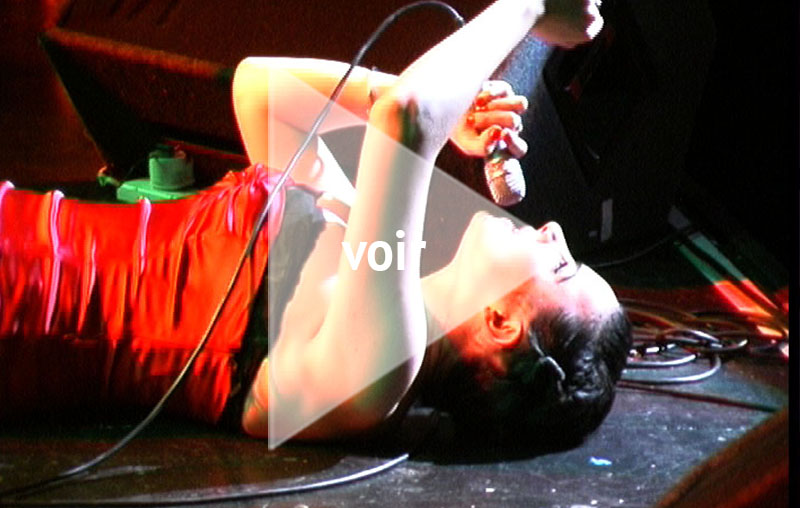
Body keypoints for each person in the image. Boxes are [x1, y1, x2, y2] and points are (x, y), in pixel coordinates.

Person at [0, 0, 631, 447]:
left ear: (502, 325)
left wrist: (530, 6)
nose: (554, 231)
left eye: (562, 265)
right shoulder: (363, 257)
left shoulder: (385, 370)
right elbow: (261, 91)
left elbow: (406, 120)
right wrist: (447, 110)